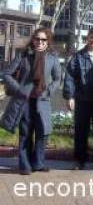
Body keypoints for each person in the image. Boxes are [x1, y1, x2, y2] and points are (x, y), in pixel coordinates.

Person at [0, 28, 61, 175]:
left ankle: (38, 163)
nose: (40, 42)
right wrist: (19, 89)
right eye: (37, 39)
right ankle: (24, 165)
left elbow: (58, 79)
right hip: (24, 101)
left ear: (47, 42)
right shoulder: (23, 55)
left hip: (43, 101)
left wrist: (48, 91)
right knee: (25, 132)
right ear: (33, 40)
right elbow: (6, 74)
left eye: (43, 40)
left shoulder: (53, 58)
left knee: (42, 132)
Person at [63, 27, 93, 170]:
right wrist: (70, 96)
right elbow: (70, 76)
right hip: (82, 100)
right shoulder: (78, 56)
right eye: (91, 37)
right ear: (87, 38)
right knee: (81, 131)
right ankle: (80, 160)